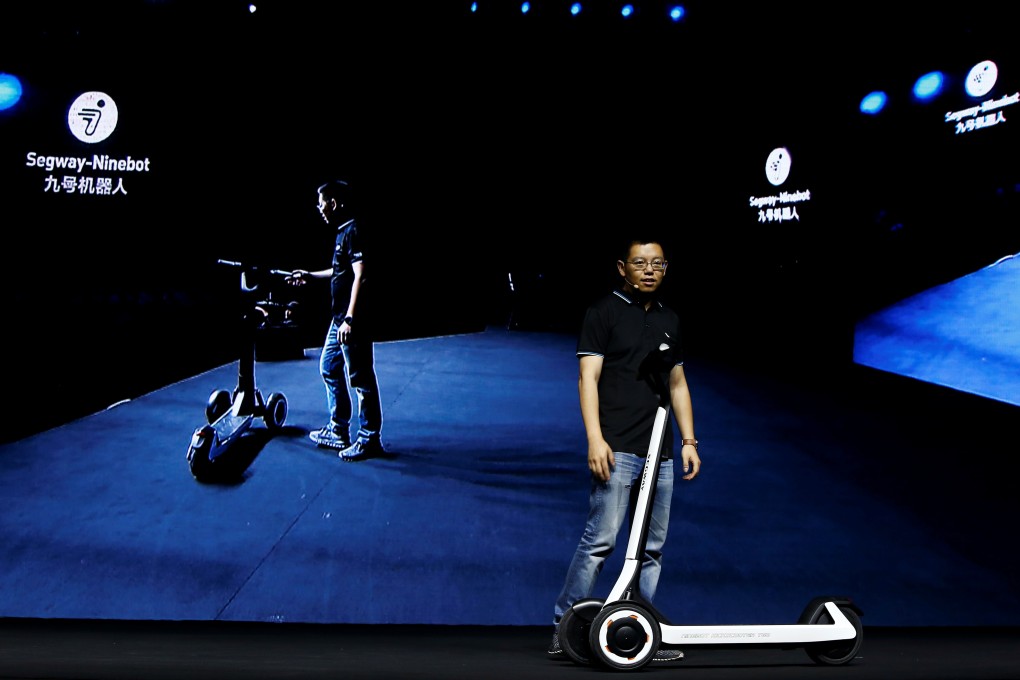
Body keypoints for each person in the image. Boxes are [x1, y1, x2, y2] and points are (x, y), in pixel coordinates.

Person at [547, 237, 700, 663]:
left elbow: (677, 384)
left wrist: (688, 441)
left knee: (651, 550)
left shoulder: (670, 318)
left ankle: (639, 629)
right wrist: (595, 439)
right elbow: (588, 379)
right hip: (616, 448)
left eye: (657, 263)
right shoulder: (603, 312)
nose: (649, 270)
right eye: (640, 263)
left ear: (665, 268)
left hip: (659, 453)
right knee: (600, 541)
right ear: (622, 268)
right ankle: (565, 630)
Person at [286, 179, 385, 461]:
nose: (319, 209)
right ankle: (338, 430)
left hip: (352, 321)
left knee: (361, 378)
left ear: (334, 202)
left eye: (321, 204)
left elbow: (361, 276)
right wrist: (309, 275)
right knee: (329, 367)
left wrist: (351, 318)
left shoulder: (354, 231)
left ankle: (369, 438)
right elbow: (340, 270)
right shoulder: (342, 232)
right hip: (338, 318)